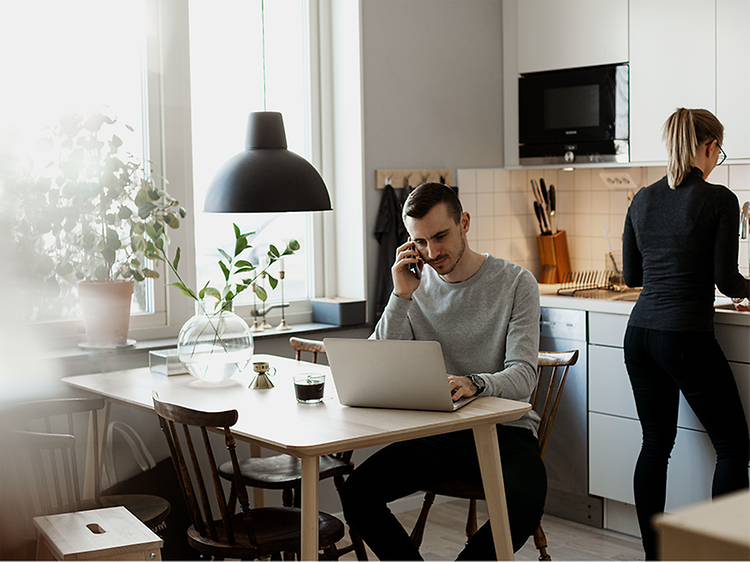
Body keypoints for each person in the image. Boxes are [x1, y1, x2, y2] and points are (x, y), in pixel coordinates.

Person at [341, 182, 546, 560]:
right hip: (442, 431)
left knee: (524, 504)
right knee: (357, 492)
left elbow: (523, 378)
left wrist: (475, 383)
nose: (432, 252)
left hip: (506, 431)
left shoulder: (516, 283)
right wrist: (400, 296)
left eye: (440, 236)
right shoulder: (414, 288)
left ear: (464, 222)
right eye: (420, 242)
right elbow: (374, 364)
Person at [622, 108, 750, 560]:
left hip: (639, 335)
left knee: (655, 445)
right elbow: (728, 281)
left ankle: (654, 556)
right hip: (683, 337)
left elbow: (633, 275)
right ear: (711, 147)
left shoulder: (641, 198)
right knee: (734, 446)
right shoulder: (718, 199)